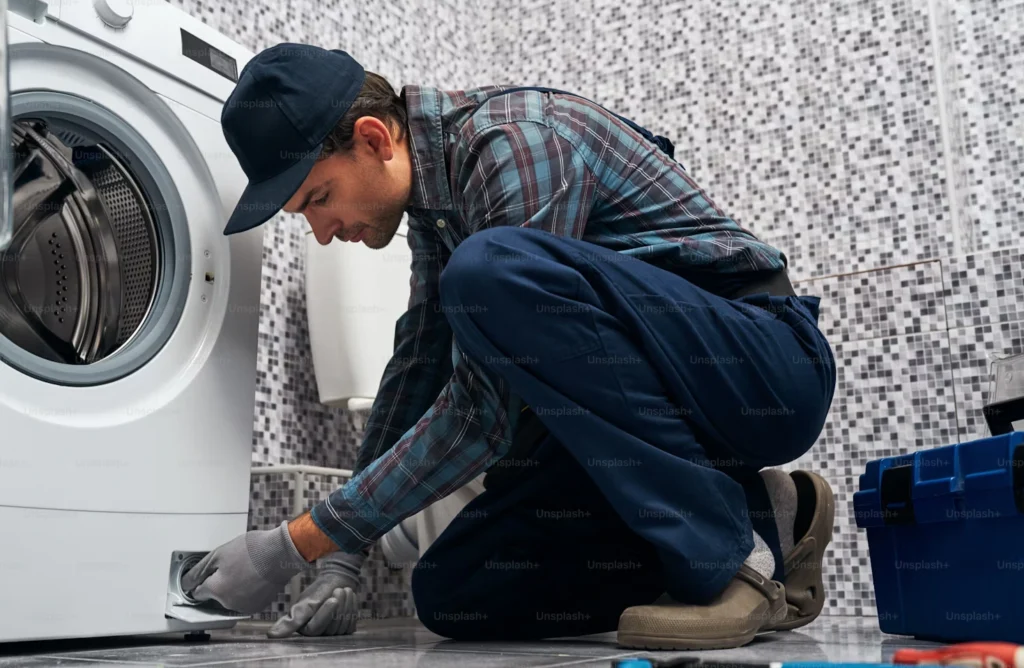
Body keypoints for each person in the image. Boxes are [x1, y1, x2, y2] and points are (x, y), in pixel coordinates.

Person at [181, 42, 838, 651]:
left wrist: (296, 544)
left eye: (319, 198)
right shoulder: (436, 211)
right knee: (456, 593)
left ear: (374, 137)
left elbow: (478, 418)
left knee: (488, 272)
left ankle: (731, 567)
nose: (322, 232)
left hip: (760, 368)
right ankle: (771, 529)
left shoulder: (513, 142)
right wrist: (346, 559)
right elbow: (417, 367)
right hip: (656, 403)